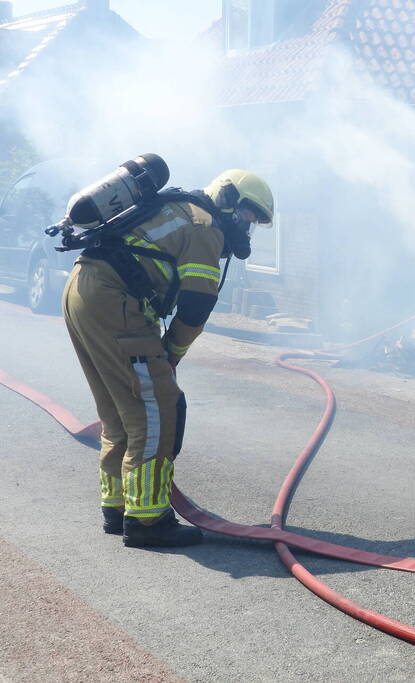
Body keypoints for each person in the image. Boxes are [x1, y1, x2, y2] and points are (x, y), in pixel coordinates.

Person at [62, 168, 274, 548]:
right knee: (156, 408)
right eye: (247, 216)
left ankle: (118, 505)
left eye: (254, 223)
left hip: (82, 290)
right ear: (227, 200)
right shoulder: (204, 226)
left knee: (120, 409)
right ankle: (148, 520)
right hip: (114, 300)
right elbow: (197, 305)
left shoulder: (177, 210)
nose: (247, 227)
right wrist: (171, 353)